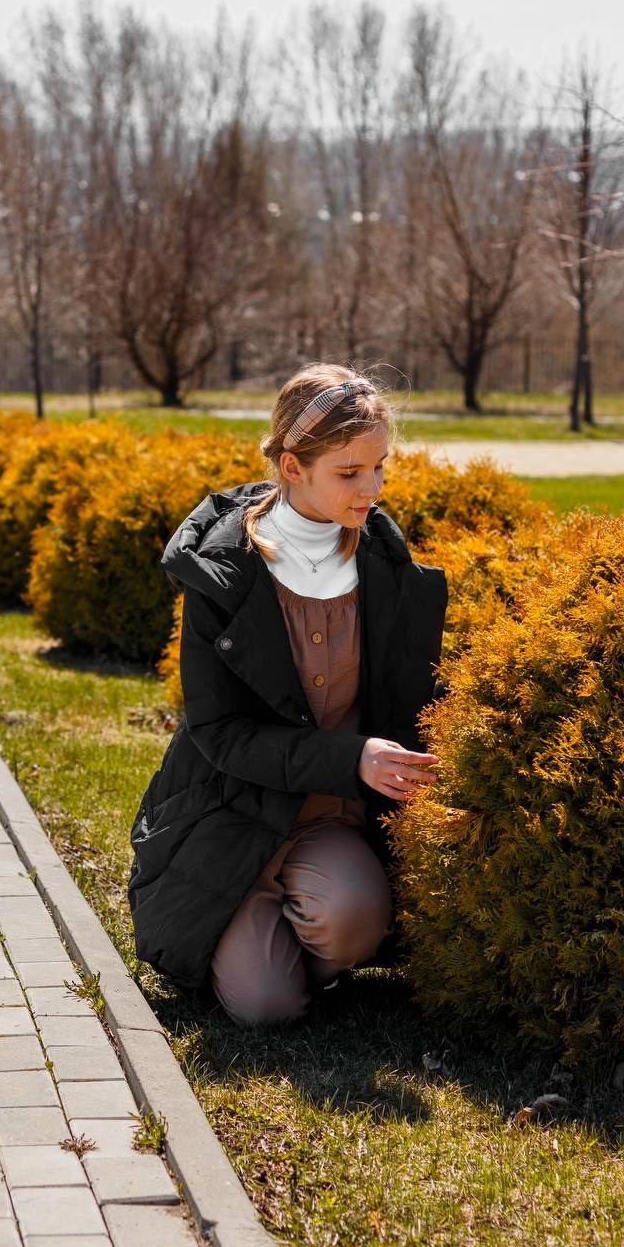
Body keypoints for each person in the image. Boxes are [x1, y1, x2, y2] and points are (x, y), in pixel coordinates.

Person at [128, 363, 448, 1025]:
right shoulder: (223, 575)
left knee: (355, 924)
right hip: (228, 815)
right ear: (292, 466)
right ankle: (238, 910)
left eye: (378, 467)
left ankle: (285, 919)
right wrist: (349, 758)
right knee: (265, 1007)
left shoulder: (386, 571)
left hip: (329, 819)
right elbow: (218, 733)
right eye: (349, 473)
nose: (372, 489)